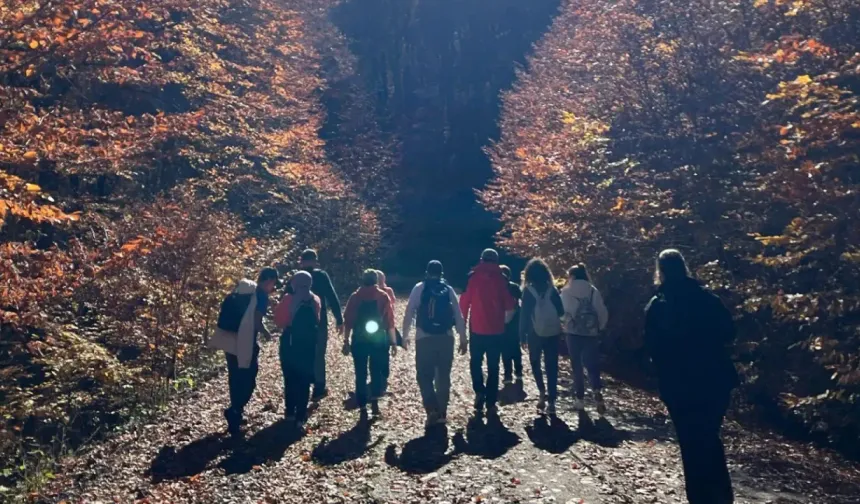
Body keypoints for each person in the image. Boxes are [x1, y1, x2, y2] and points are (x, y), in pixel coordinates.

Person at [644, 249, 738, 504]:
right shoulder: (706, 297)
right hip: (715, 379)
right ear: (684, 267)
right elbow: (730, 331)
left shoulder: (658, 305)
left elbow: (651, 347)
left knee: (690, 440)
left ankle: (700, 497)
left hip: (678, 384)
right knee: (708, 435)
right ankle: (720, 496)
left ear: (660, 271)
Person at [211, 267, 278, 437]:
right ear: (269, 281)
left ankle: (236, 411)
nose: (273, 288)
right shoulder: (260, 295)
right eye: (273, 284)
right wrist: (266, 332)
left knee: (235, 375)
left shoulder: (243, 292)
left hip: (229, 339)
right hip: (246, 342)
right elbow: (256, 321)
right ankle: (235, 410)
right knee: (249, 376)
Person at [402, 260, 467, 427]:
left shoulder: (419, 288)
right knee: (443, 375)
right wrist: (462, 338)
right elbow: (458, 315)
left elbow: (409, 311)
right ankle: (442, 412)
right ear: (441, 273)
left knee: (424, 375)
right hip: (446, 337)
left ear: (427, 271)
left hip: (424, 338)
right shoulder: (448, 289)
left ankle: (431, 409)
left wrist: (405, 335)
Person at [459, 248, 516, 417]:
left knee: (475, 361)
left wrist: (461, 325)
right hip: (497, 330)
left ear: (481, 259)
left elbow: (464, 303)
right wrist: (504, 322)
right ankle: (491, 400)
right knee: (493, 365)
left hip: (476, 328)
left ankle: (479, 390)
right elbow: (510, 306)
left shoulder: (472, 277)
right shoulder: (502, 278)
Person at [342, 269, 397, 419]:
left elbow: (348, 320)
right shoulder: (383, 296)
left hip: (359, 339)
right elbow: (389, 321)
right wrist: (393, 342)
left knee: (360, 371)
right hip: (378, 339)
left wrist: (346, 340)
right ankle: (374, 402)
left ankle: (361, 404)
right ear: (376, 280)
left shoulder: (355, 297)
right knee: (375, 370)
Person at [290, 249, 343, 401]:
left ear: (301, 261)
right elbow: (332, 296)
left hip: (298, 323)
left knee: (304, 352)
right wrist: (339, 319)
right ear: (315, 260)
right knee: (319, 353)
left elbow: (288, 298)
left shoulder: (296, 277)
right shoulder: (321, 275)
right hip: (319, 320)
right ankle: (319, 386)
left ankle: (304, 383)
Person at [274, 271, 322, 430]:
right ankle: (301, 415)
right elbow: (318, 320)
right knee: (304, 379)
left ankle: (289, 412)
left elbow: (279, 322)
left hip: (290, 342)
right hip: (308, 345)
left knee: (290, 377)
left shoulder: (288, 299)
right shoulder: (315, 300)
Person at [560, 263, 609, 413]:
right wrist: (600, 327)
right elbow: (602, 311)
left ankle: (580, 399)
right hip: (590, 333)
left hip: (573, 333)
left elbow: (562, 313)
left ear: (572, 276)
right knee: (592, 365)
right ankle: (596, 392)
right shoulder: (593, 291)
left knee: (577, 366)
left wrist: (565, 324)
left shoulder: (566, 291)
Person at [519, 258, 564, 415]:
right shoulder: (552, 289)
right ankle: (552, 401)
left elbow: (524, 314)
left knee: (535, 362)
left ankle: (541, 392)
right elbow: (561, 311)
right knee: (551, 365)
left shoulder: (528, 291)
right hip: (553, 333)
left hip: (534, 333)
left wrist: (522, 336)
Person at [499, 265, 523, 385]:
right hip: (515, 322)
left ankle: (508, 374)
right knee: (515, 348)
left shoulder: (497, 288)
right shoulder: (515, 287)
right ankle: (518, 372)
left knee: (505, 350)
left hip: (502, 323)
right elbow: (521, 302)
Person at [375, 270, 397, 399]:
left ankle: (380, 373)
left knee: (381, 349)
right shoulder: (387, 291)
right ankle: (383, 373)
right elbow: (393, 303)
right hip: (386, 324)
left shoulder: (383, 291)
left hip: (382, 324)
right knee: (384, 350)